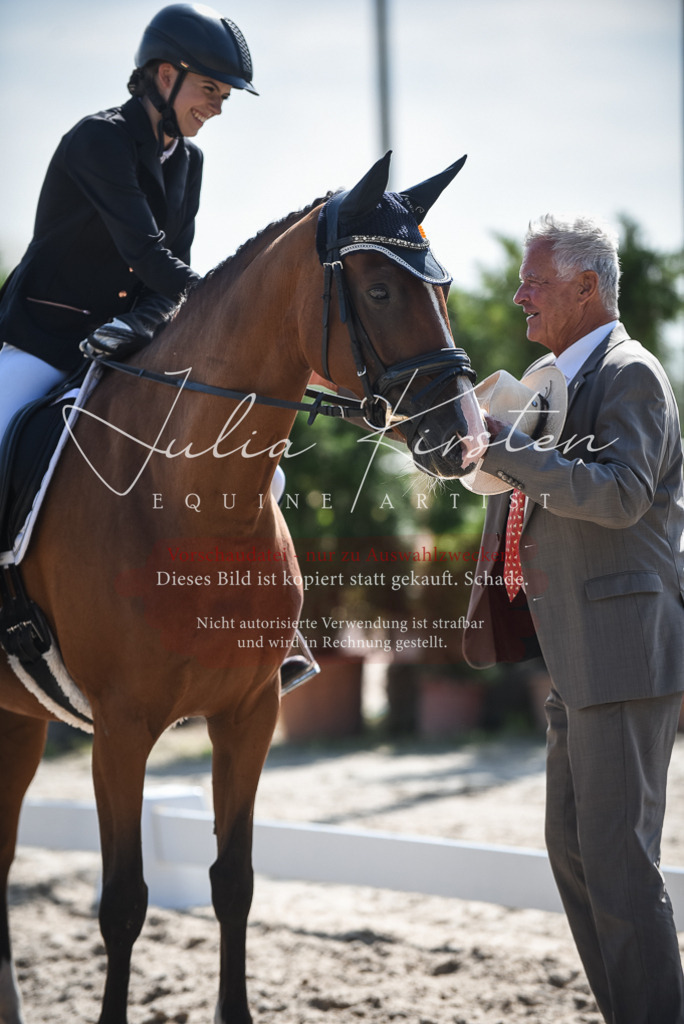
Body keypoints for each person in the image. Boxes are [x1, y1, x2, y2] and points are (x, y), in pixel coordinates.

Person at [462, 213, 684, 1024]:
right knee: (578, 856)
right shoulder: (553, 381)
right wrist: (468, 443)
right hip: (578, 656)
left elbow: (621, 495)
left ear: (587, 286)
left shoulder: (632, 375)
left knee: (620, 871)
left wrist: (504, 447)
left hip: (624, 657)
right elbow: (527, 484)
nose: (520, 296)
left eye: (536, 282)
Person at [0, 2, 257, 444]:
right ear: (165, 76)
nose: (217, 108)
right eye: (210, 89)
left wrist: (144, 322)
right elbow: (145, 252)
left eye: (224, 97)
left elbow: (172, 270)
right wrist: (226, 304)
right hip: (44, 343)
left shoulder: (189, 162)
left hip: (125, 352)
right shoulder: (99, 139)